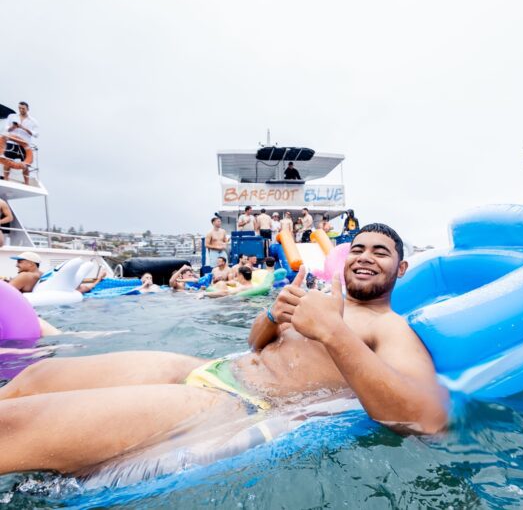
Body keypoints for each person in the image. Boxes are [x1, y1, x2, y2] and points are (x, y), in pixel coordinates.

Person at [0, 223, 448, 475]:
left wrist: (334, 332)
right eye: (359, 249)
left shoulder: (391, 328)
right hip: (211, 367)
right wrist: (275, 315)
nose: (366, 257)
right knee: (32, 380)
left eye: (381, 253)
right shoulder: (316, 296)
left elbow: (426, 419)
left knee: (14, 427)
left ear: (401, 268)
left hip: (237, 402)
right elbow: (254, 343)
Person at [0, 101, 39, 184]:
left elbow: (36, 134)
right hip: (11, 143)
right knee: (7, 161)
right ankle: (6, 179)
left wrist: (23, 128)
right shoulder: (12, 116)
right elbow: (6, 128)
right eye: (20, 108)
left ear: (27, 109)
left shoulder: (33, 121)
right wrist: (13, 127)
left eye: (23, 108)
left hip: (24, 145)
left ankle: (26, 182)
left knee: (25, 165)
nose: (21, 110)